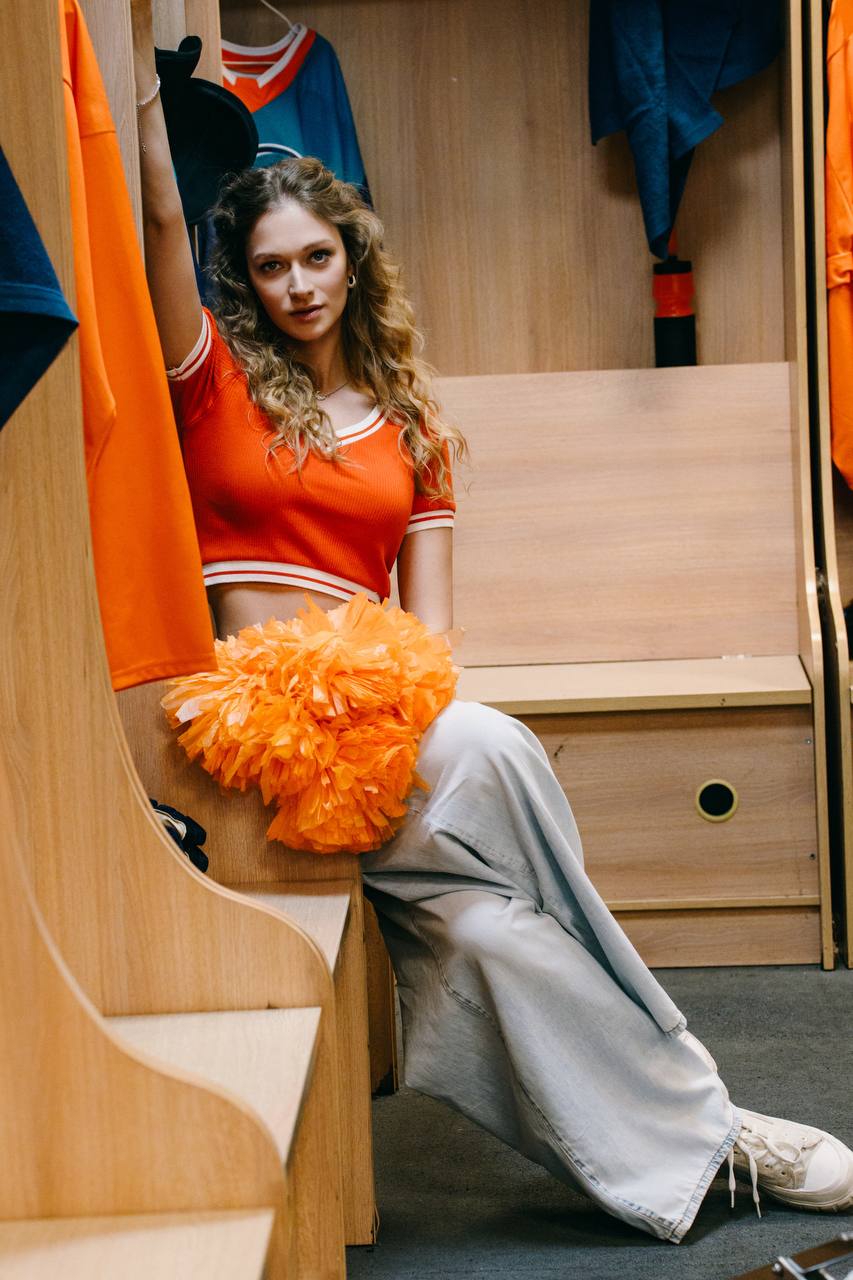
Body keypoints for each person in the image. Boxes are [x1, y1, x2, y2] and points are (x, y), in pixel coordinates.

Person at [131, 2, 853, 1245]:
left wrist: (407, 712)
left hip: (381, 726)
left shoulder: (412, 426)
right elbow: (155, 217)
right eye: (271, 266)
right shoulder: (215, 384)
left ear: (353, 260)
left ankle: (710, 1141)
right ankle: (717, 1110)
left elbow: (434, 638)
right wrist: (133, 80)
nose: (297, 285)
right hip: (257, 732)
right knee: (502, 748)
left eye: (317, 258)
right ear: (242, 279)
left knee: (485, 935)